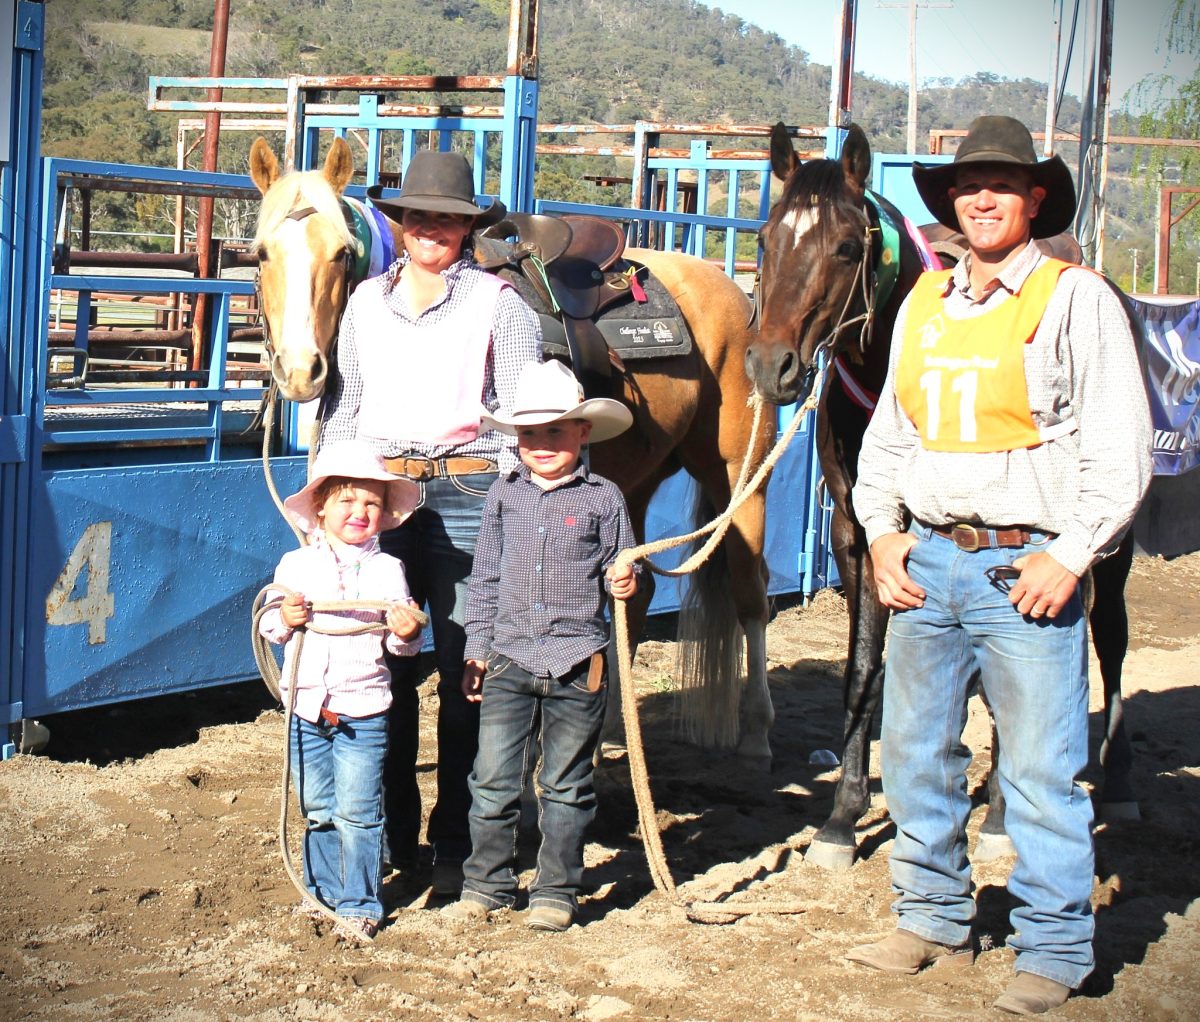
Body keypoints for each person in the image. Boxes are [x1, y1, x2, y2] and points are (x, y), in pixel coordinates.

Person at [845, 116, 1152, 1014]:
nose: (982, 198)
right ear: (950, 201)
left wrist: (1072, 553)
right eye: (969, 185)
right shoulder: (925, 305)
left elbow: (1121, 445)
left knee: (1040, 769)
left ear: (1034, 198)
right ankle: (932, 912)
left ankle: (1053, 949)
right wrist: (883, 530)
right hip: (929, 560)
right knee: (913, 753)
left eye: (1002, 185)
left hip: (1024, 566)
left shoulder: (1074, 297)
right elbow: (892, 434)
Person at [319, 150, 542, 894]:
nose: (432, 230)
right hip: (381, 496)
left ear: (466, 228)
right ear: (401, 224)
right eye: (420, 218)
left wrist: (513, 509)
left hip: (469, 492)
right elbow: (344, 408)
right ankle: (391, 834)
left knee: (466, 672)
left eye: (447, 220)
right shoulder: (360, 305)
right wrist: (330, 501)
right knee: (382, 668)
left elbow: (515, 415)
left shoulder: (499, 304)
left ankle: (457, 841)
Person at [441, 360, 638, 932]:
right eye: (530, 434)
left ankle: (556, 889)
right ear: (516, 442)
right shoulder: (503, 497)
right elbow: (486, 578)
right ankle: (488, 882)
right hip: (507, 659)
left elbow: (618, 567)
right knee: (493, 779)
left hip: (579, 662)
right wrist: (476, 649)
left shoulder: (606, 498)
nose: (543, 444)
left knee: (566, 784)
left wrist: (624, 581)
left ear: (583, 433)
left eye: (556, 431)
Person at [259, 440, 425, 942]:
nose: (360, 512)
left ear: (385, 512)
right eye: (347, 501)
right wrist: (284, 617)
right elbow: (269, 626)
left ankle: (359, 903)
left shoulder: (388, 570)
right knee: (316, 807)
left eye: (371, 503)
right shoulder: (295, 565)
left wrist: (406, 630)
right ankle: (322, 892)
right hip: (306, 707)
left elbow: (403, 648)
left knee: (358, 810)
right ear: (322, 508)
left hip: (363, 709)